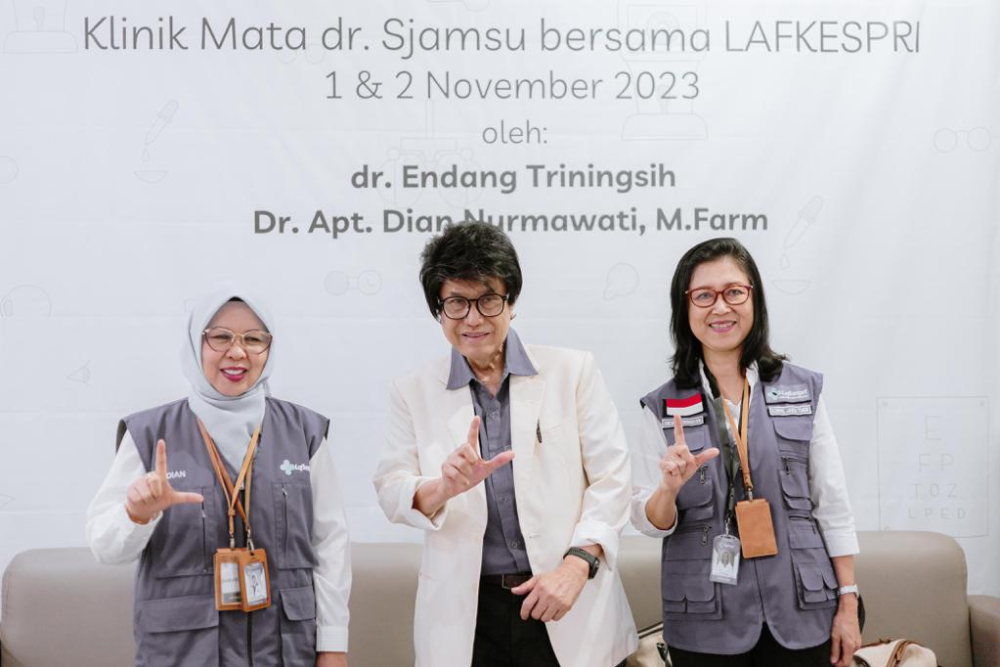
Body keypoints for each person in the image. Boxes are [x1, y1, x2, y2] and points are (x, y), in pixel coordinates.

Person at [373, 221, 638, 667]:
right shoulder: (412, 390)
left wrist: (577, 565)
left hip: (565, 595)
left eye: (488, 300)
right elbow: (390, 488)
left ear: (511, 301)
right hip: (468, 617)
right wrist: (442, 487)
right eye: (456, 303)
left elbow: (613, 479)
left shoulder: (572, 372)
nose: (473, 318)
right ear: (439, 311)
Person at [86, 288, 351, 667]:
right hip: (182, 652)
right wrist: (136, 515)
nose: (238, 352)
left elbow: (330, 543)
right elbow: (104, 548)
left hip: (285, 650)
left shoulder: (304, 432)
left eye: (254, 339)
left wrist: (333, 645)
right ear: (196, 344)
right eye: (221, 337)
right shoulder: (148, 434)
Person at [630, 237, 861, 667]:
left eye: (734, 292)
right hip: (705, 624)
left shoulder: (801, 390)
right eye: (703, 296)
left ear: (754, 299)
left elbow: (832, 503)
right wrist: (667, 490)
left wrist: (849, 600)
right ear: (684, 308)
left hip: (802, 611)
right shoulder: (661, 407)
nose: (720, 307)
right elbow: (650, 523)